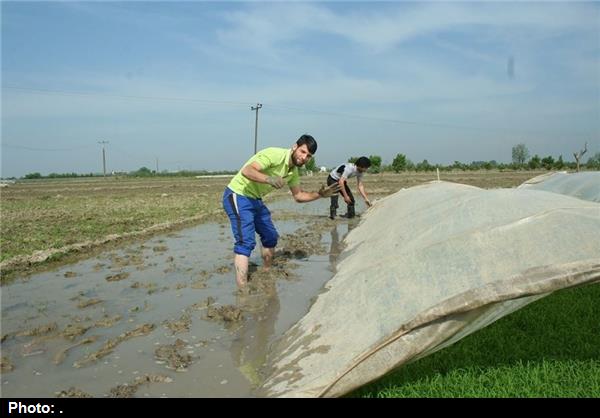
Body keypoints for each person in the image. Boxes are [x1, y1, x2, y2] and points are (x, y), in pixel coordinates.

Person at [222, 134, 340, 288]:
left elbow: (298, 196)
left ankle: (266, 272)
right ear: (294, 147)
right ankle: (242, 290)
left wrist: (319, 195)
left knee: (270, 237)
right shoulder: (274, 154)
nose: (305, 157)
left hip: (256, 199)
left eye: (309, 156)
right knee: (245, 242)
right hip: (238, 195)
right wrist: (268, 179)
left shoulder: (293, 172)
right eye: (303, 152)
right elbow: (247, 170)